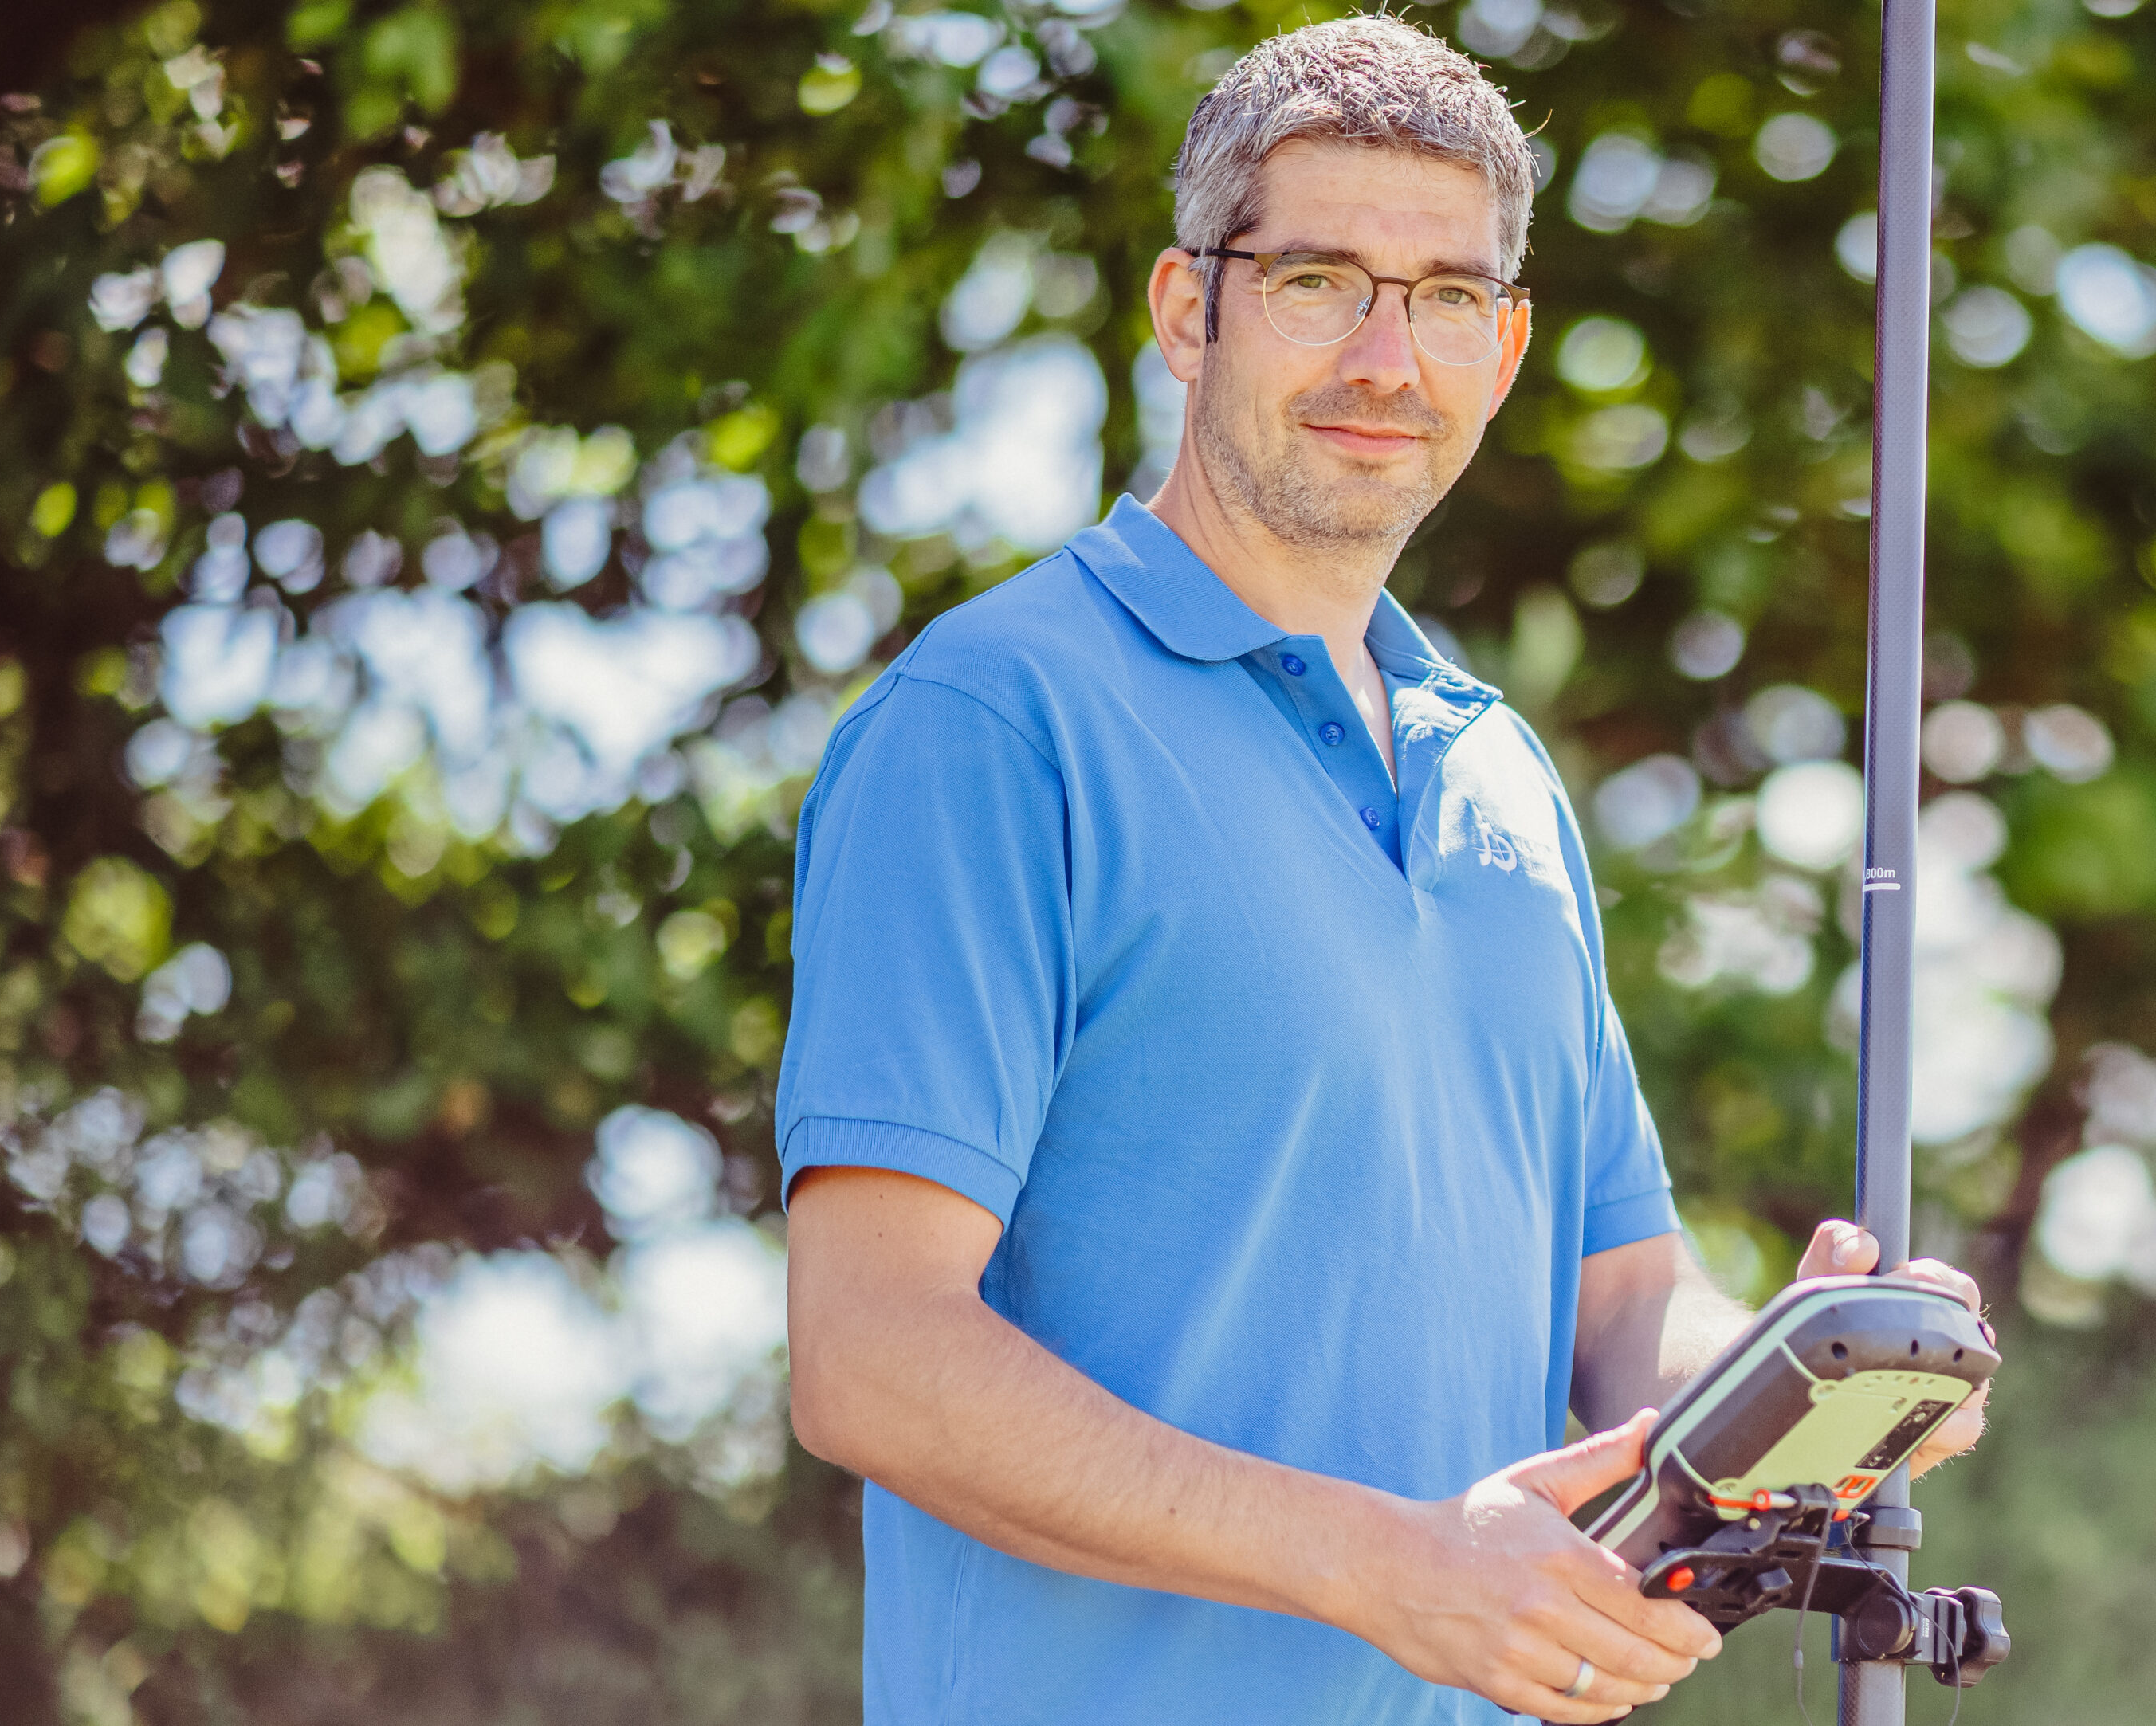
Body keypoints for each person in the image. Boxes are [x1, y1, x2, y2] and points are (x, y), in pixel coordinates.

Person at [775, 17, 1993, 1725]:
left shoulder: (1498, 773)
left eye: (1439, 298)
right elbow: (870, 1358)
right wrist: (1389, 1565)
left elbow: (1619, 1300)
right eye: (1318, 279)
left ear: (1500, 351)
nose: (1381, 355)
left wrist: (1793, 1370)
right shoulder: (994, 719)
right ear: (1188, 310)